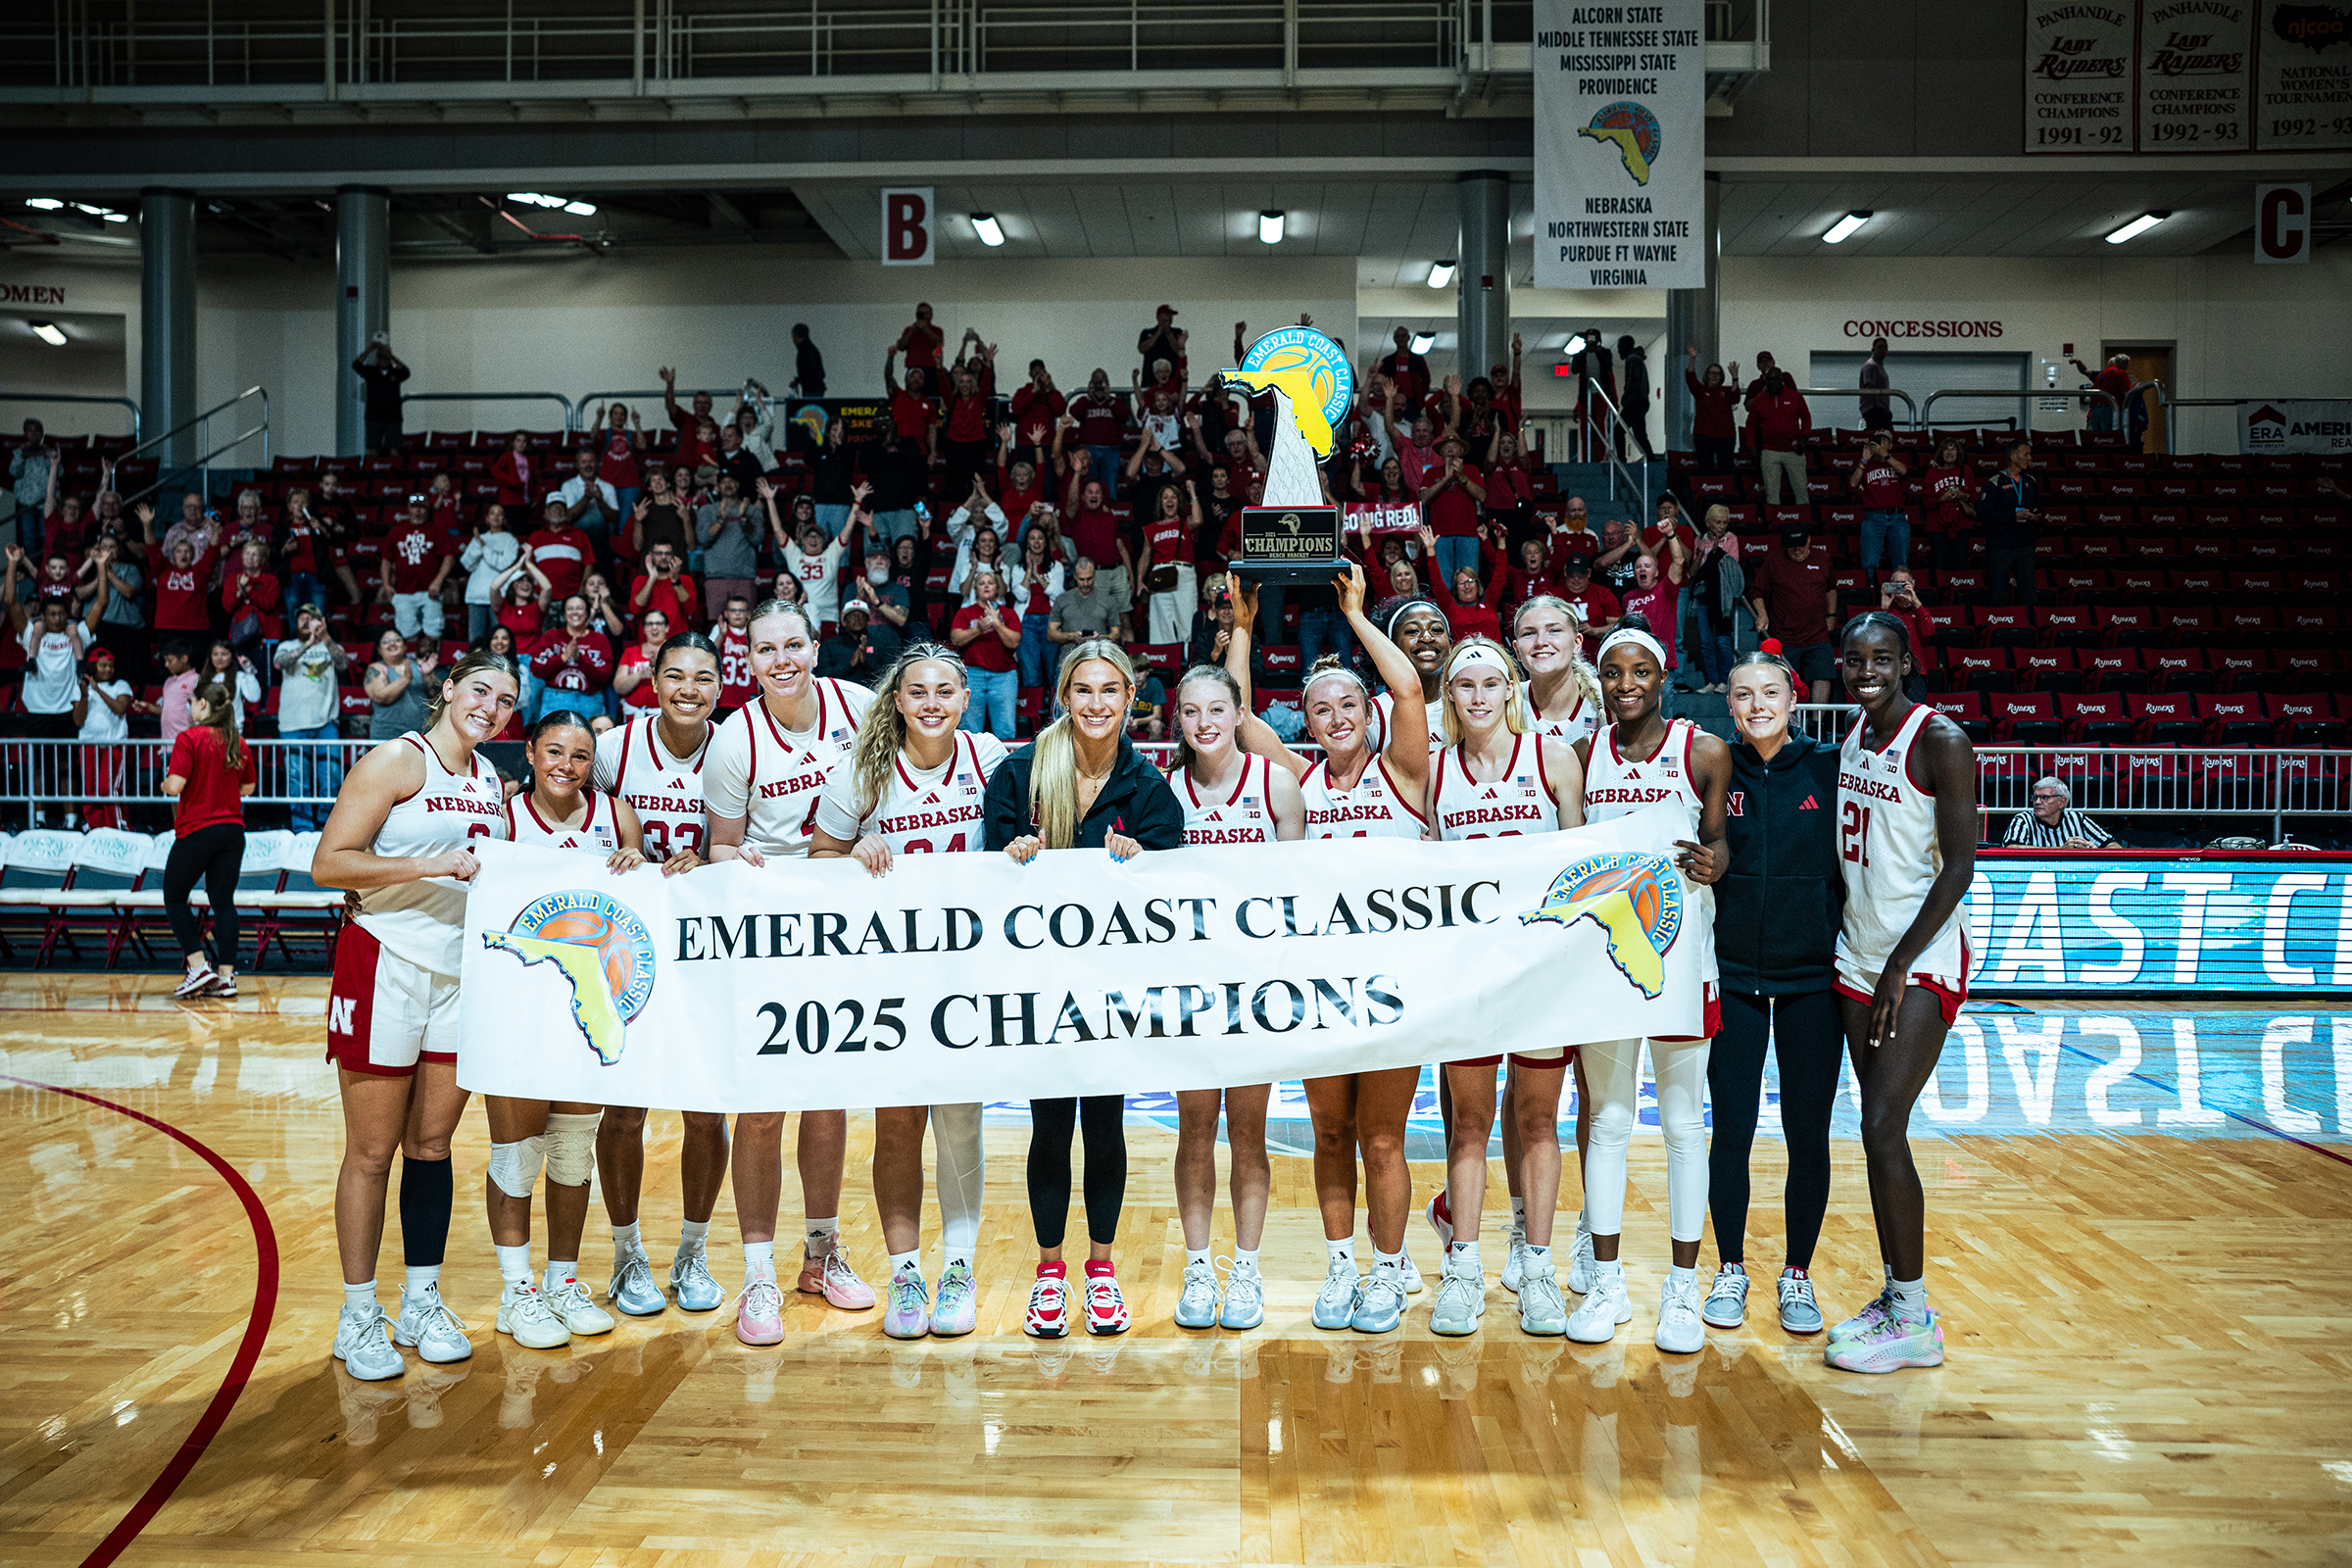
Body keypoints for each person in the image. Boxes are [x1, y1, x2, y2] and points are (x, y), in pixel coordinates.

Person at [1225, 567, 1433, 1331]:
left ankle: (1388, 1268)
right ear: (1305, 721)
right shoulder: (1298, 782)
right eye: (1322, 708)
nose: (1338, 716)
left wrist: (1355, 614)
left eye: (1350, 704)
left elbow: (1409, 692)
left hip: (1395, 988)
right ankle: (1342, 1265)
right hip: (1321, 989)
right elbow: (1238, 716)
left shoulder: (1405, 772)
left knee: (1382, 1135)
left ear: (1367, 715)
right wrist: (1243, 625)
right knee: (1331, 1134)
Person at [312, 647, 520, 1383]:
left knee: (431, 1146)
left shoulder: (492, 779)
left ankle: (421, 1299)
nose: (490, 708)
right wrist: (425, 867)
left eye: (504, 701)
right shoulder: (398, 761)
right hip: (384, 963)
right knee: (371, 1151)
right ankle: (357, 1311)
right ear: (450, 689)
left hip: (459, 975)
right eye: (480, 691)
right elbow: (330, 862)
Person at [983, 640, 1186, 1338]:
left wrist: (1143, 863)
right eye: (1083, 691)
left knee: (1103, 1127)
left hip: (1111, 996)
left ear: (1131, 699)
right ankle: (1048, 1274)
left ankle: (1101, 1273)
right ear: (1063, 698)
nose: (1096, 704)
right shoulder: (1019, 775)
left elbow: (1171, 897)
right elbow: (984, 878)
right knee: (1048, 1127)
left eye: (1109, 691)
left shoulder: (1150, 787)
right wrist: (1010, 860)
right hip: (1038, 991)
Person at [810, 649, 1003, 1339]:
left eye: (944, 691)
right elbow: (819, 859)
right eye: (916, 690)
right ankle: (906, 1274)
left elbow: (1020, 841)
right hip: (887, 978)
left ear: (965, 697)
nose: (930, 702)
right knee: (897, 1126)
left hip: (965, 975)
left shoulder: (988, 757)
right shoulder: (863, 770)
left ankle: (959, 1268)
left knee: (960, 1124)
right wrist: (853, 852)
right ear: (896, 699)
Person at [702, 599, 876, 1343]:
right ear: (747, 658)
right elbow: (719, 847)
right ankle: (757, 1275)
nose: (782, 660)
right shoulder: (736, 739)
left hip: (848, 933)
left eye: (794, 645)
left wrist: (873, 837)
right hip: (770, 937)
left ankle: (820, 1253)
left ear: (814, 646)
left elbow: (896, 791)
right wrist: (733, 861)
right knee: (765, 1107)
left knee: (828, 1099)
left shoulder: (862, 707)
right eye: (766, 649)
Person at [1568, 617, 1731, 1351]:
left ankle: (1682, 1291)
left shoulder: (1703, 751)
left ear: (1664, 678)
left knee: (1683, 1126)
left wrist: (1717, 861)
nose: (1626, 685)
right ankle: (1606, 1286)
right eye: (1613, 673)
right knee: (1606, 1122)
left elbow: (1720, 841)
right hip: (1607, 965)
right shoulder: (1581, 753)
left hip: (1683, 962)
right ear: (1597, 680)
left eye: (1640, 672)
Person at [1422, 638, 1588, 1339]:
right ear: (1450, 697)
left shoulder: (1551, 759)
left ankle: (1539, 1267)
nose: (1480, 696)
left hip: (1540, 976)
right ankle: (1464, 1269)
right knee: (1468, 1124)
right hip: (1468, 977)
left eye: (1493, 683)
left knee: (1539, 1122)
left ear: (1511, 690)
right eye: (1466, 685)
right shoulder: (1434, 772)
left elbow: (1582, 871)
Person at [1826, 611, 1978, 1373]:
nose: (1867, 670)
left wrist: (1897, 967)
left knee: (1884, 1125)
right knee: (1876, 1128)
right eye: (1855, 660)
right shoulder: (1853, 737)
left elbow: (1959, 867)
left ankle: (1913, 1317)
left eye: (1882, 658)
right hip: (1858, 955)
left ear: (1906, 663)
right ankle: (1897, 1298)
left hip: (1915, 964)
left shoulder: (1940, 740)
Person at [486, 711, 647, 1347]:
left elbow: (638, 908)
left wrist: (639, 864)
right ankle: (515, 1289)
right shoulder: (504, 817)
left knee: (574, 1151)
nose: (566, 766)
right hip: (517, 1015)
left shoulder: (615, 815)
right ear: (529, 752)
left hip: (585, 1016)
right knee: (518, 1155)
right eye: (554, 751)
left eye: (580, 757)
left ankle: (562, 1279)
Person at [1702, 642, 1843, 1338]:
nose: (1757, 706)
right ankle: (1730, 1267)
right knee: (1730, 1131)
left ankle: (1797, 1275)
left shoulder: (1829, 767)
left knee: (1806, 1135)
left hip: (1813, 983)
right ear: (1728, 705)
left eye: (1770, 694)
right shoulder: (1713, 768)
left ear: (1793, 701)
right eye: (1743, 695)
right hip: (1733, 980)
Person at [1160, 661, 1305, 1333]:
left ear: (1239, 713)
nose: (1204, 724)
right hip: (1190, 990)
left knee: (1249, 1131)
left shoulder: (1273, 783)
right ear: (1177, 720)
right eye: (1191, 712)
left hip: (1255, 991)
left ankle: (1245, 1268)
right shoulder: (1165, 791)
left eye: (1217, 710)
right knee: (1195, 1130)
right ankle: (1199, 1265)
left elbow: (1299, 897)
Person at [592, 631, 732, 1318]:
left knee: (708, 1110)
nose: (689, 689)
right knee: (625, 1110)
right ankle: (625, 1256)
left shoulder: (735, 746)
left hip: (710, 951)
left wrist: (713, 862)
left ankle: (693, 1253)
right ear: (651, 679)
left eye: (703, 678)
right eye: (675, 675)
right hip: (628, 953)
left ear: (720, 684)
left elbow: (755, 842)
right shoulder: (615, 749)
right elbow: (567, 823)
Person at [159, 681, 257, 999]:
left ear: (202, 704)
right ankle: (226, 977)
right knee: (222, 902)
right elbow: (248, 789)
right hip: (233, 830)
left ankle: (198, 966)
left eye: (191, 702)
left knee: (174, 897)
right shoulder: (237, 741)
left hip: (198, 828)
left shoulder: (189, 738)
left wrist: (164, 783)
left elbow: (175, 786)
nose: (189, 708)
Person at [5, 545, 106, 739]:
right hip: (36, 708)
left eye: (61, 614)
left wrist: (100, 565)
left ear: (67, 614)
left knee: (65, 766)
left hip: (68, 707)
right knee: (37, 768)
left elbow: (101, 603)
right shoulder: (31, 633)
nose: (57, 618)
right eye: (52, 614)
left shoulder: (77, 634)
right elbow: (11, 602)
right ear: (42, 616)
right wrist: (12, 563)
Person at [276, 605, 351, 832]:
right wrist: (308, 643)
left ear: (322, 622)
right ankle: (302, 829)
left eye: (312, 619)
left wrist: (325, 637)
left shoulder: (331, 646)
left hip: (326, 723)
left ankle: (328, 829)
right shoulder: (287, 645)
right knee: (297, 781)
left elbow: (343, 664)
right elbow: (280, 663)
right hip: (292, 724)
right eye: (302, 619)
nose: (306, 622)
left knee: (332, 778)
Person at [1744, 524, 1837, 702]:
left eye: (1800, 545)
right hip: (1784, 634)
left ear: (1809, 540)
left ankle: (1817, 724)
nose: (1796, 550)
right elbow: (1757, 590)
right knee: (1780, 680)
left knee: (1823, 675)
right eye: (1792, 546)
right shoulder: (1774, 560)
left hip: (1817, 632)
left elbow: (1831, 589)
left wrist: (1831, 615)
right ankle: (1786, 724)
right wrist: (1762, 613)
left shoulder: (1823, 559)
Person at [950, 567, 1020, 738]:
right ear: (976, 589)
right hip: (973, 675)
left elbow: (1014, 642)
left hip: (1004, 677)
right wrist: (978, 629)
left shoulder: (1008, 614)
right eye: (982, 583)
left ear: (997, 588)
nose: (986, 586)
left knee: (1006, 730)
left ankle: (1006, 764)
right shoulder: (966, 613)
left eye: (990, 583)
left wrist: (996, 623)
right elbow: (956, 639)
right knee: (970, 731)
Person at [73, 646, 135, 828]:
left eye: (111, 666)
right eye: (103, 665)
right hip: (89, 744)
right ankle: (95, 827)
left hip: (114, 744)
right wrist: (84, 696)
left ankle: (116, 827)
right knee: (91, 790)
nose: (108, 669)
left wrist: (98, 690)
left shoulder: (120, 685)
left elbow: (120, 708)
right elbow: (78, 720)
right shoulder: (81, 688)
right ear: (92, 666)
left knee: (109, 789)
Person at [1979, 435, 2041, 609]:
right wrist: (2013, 517)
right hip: (2001, 545)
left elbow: (2039, 508)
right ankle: (2000, 625)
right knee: (1998, 593)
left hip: (2025, 544)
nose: (2030, 458)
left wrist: (2036, 515)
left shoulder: (2031, 482)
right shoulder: (1995, 483)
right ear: (2013, 456)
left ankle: (2029, 627)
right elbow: (1984, 515)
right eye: (2026, 454)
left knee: (2029, 592)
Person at [529, 595, 614, 722]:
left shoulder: (599, 639)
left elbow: (605, 675)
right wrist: (563, 657)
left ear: (587, 613)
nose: (575, 612)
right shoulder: (552, 636)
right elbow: (536, 669)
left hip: (590, 700)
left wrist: (579, 659)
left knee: (591, 741)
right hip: (556, 698)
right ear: (564, 614)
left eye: (580, 608)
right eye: (570, 608)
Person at [1687, 505, 1743, 692]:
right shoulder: (1700, 540)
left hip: (1723, 599)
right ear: (1708, 522)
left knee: (1722, 641)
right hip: (1704, 596)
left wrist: (1717, 549)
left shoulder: (1731, 539)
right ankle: (1711, 681)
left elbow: (1731, 566)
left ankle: (1724, 681)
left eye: (1725, 522)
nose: (1722, 526)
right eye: (1718, 522)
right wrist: (1703, 553)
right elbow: (1694, 572)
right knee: (1705, 642)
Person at [384, 498, 455, 645]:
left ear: (427, 510)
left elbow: (449, 558)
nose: (417, 511)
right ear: (408, 509)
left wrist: (438, 581)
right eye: (414, 507)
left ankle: (432, 665)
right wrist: (386, 583)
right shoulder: (396, 530)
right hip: (403, 591)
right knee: (408, 636)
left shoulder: (437, 529)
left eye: (421, 508)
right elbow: (386, 559)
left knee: (433, 635)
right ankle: (412, 667)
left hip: (430, 591)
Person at [1744, 354, 1811, 506]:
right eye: (1770, 380)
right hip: (1770, 452)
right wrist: (1752, 447)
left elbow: (1806, 418)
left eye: (1776, 379)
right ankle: (1775, 524)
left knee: (1801, 491)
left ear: (1782, 380)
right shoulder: (1759, 401)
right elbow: (1750, 425)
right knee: (1772, 494)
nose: (1773, 383)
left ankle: (1803, 525)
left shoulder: (1795, 397)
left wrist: (1804, 438)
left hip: (1793, 451)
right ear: (1765, 382)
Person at [1848, 430, 1912, 576]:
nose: (1880, 445)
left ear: (1891, 445)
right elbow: (1852, 484)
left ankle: (1899, 597)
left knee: (1901, 563)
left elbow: (1903, 471)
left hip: (1897, 516)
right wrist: (1863, 461)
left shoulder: (1898, 459)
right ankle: (1872, 594)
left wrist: (1886, 456)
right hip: (1873, 515)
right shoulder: (1867, 464)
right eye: (1877, 441)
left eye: (1885, 441)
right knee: (1870, 562)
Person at [460, 503, 522, 645]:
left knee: (499, 640)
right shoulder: (480, 538)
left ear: (504, 519)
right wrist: (478, 544)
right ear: (487, 518)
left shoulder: (510, 540)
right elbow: (467, 564)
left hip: (499, 596)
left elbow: (502, 564)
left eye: (499, 513)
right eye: (492, 513)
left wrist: (483, 546)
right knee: (475, 641)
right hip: (476, 595)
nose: (496, 516)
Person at [2003, 776, 2115, 849]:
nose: (2037, 802)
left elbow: (2112, 845)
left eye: (2044, 797)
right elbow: (2011, 848)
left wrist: (2094, 850)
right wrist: (2061, 850)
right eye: (2035, 797)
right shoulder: (2023, 819)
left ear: (2061, 802)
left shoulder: (2076, 818)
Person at [1684, 349, 1742, 474]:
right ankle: (1706, 492)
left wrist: (1735, 377)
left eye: (1717, 374)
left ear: (1721, 376)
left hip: (1726, 436)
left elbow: (1736, 397)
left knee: (1726, 469)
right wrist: (1693, 358)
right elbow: (1690, 378)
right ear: (1707, 375)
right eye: (1712, 373)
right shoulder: (1700, 390)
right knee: (1705, 468)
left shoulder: (1726, 391)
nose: (1714, 376)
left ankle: (1725, 493)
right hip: (1704, 435)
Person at [1921, 436, 1976, 570]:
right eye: (1946, 449)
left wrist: (1962, 495)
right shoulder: (1932, 473)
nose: (1949, 453)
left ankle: (1957, 589)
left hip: (1961, 524)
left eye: (1953, 449)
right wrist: (1942, 500)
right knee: (1940, 561)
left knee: (1960, 561)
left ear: (1958, 453)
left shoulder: (1965, 470)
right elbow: (1926, 502)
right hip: (1938, 526)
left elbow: (1974, 496)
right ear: (1941, 453)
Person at [351, 333, 410, 454]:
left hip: (393, 417)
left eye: (386, 358)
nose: (383, 360)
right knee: (372, 449)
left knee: (394, 449)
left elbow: (406, 372)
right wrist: (370, 349)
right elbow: (356, 365)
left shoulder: (396, 373)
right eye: (381, 358)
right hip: (374, 416)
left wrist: (391, 356)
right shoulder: (371, 372)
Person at [612, 608, 672, 711]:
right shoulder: (630, 652)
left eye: (659, 623)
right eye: (649, 624)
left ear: (666, 627)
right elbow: (618, 687)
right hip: (634, 713)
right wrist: (640, 675)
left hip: (665, 713)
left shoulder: (675, 653)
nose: (654, 627)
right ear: (644, 628)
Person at [1615, 334, 1656, 461]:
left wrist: (1625, 397)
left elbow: (1633, 380)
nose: (1618, 350)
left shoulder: (1632, 359)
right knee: (1640, 434)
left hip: (1634, 402)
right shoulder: (1637, 359)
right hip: (1641, 402)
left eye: (1620, 347)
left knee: (1618, 431)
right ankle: (1651, 458)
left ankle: (1622, 460)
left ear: (1626, 346)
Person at [2068, 351, 2132, 432]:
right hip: (2109, 411)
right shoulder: (2119, 373)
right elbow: (2127, 393)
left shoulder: (2101, 375)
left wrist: (2078, 362)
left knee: (2096, 439)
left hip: (2095, 411)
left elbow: (2085, 371)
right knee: (2108, 439)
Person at [1858, 336, 1892, 430]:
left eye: (1885, 347)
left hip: (1881, 409)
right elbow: (1869, 388)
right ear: (1873, 350)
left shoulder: (1879, 366)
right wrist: (1878, 407)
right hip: (1874, 410)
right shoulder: (1871, 366)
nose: (1883, 350)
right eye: (1880, 347)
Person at [790, 322, 827, 398]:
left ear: (795, 337)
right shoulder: (811, 348)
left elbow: (808, 370)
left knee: (810, 407)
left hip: (811, 389)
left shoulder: (804, 351)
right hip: (817, 387)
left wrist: (797, 380)